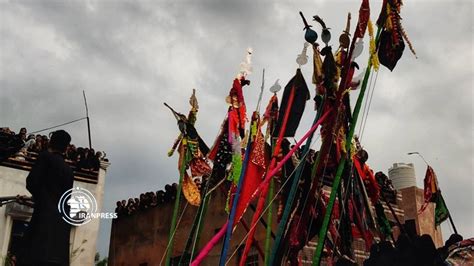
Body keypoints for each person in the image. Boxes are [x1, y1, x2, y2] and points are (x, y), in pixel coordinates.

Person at [18, 130, 74, 266]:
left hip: (41, 231)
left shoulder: (45, 157)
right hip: (59, 239)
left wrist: (36, 198)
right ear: (66, 147)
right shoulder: (69, 170)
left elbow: (32, 183)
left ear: (51, 142)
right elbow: (60, 200)